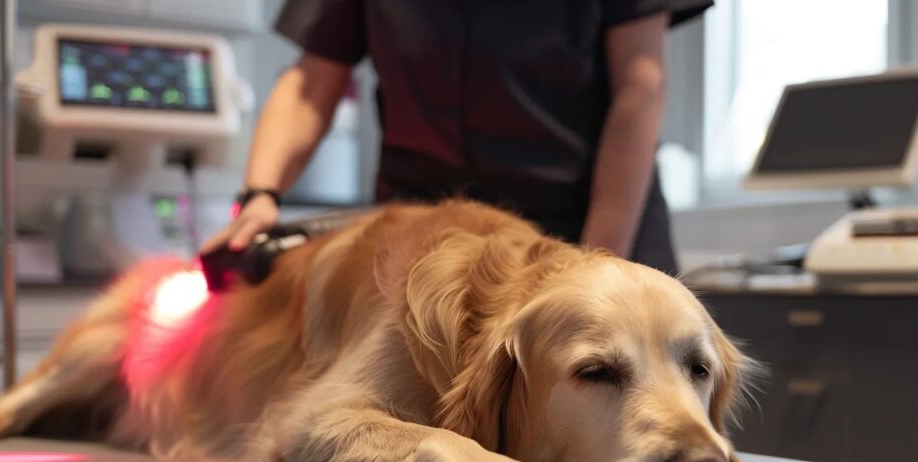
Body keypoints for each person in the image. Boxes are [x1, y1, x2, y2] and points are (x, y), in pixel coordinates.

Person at [203, 1, 714, 274]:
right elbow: (312, 82)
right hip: (429, 231)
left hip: (586, 221)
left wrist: (598, 264)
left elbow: (640, 88)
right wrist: (260, 194)